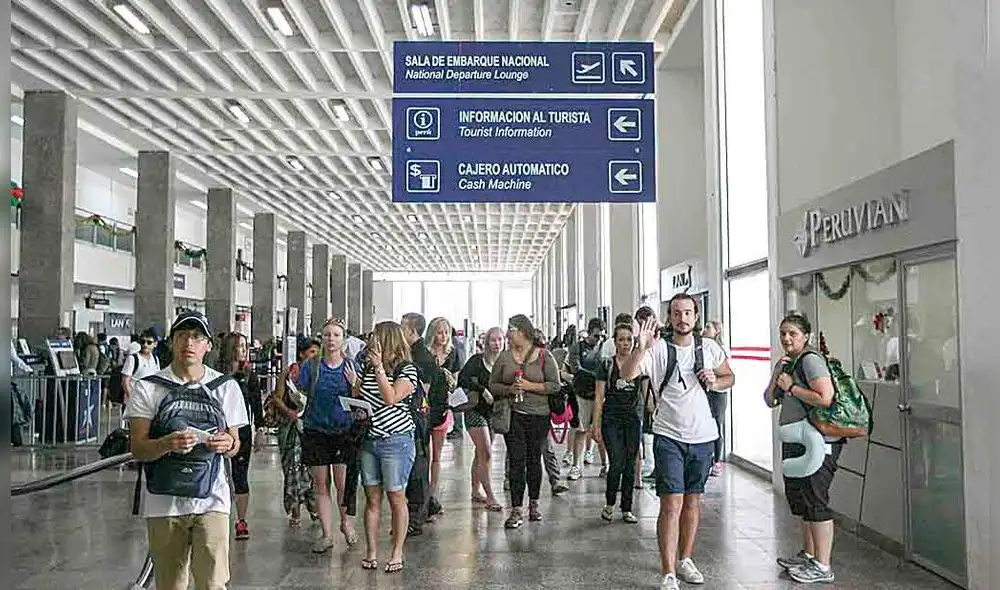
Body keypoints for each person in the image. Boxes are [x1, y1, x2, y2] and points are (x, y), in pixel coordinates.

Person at [125, 311, 248, 590]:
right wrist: (168, 443)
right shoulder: (148, 388)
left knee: (213, 583)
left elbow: (235, 444)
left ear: (208, 346)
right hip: (163, 504)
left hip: (213, 500)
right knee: (170, 584)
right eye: (182, 336)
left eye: (196, 337)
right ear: (171, 342)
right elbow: (138, 448)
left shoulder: (225, 388)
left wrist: (227, 444)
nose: (188, 343)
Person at [622, 294, 735, 590]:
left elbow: (729, 377)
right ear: (669, 317)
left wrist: (716, 380)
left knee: (693, 502)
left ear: (696, 316)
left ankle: (686, 558)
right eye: (676, 313)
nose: (682, 318)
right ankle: (668, 571)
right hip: (668, 435)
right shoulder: (658, 349)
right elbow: (627, 374)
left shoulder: (709, 348)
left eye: (687, 312)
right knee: (671, 503)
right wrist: (640, 346)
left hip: (703, 436)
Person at [765, 313, 839, 584]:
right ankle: (809, 555)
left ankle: (823, 564)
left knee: (816, 499)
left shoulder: (810, 361)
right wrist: (777, 376)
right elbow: (769, 400)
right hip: (797, 440)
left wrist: (793, 387)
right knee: (803, 499)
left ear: (805, 336)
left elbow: (825, 397)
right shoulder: (789, 363)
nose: (786, 338)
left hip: (819, 442)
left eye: (792, 333)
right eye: (783, 333)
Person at [355, 321, 420, 574]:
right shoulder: (368, 366)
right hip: (370, 439)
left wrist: (380, 368)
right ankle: (371, 552)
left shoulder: (407, 369)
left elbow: (391, 398)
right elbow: (359, 393)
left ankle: (396, 552)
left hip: (396, 441)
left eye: (376, 337)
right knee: (372, 498)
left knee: (396, 497)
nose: (371, 342)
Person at [296, 319, 362, 553]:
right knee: (321, 484)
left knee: (343, 484)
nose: (331, 339)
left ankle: (346, 522)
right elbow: (300, 395)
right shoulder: (311, 366)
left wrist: (355, 385)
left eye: (335, 335)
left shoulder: (351, 366)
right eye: (327, 335)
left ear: (343, 339)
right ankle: (326, 534)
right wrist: (295, 398)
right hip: (316, 431)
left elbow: (358, 402)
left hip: (343, 431)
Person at [490, 314, 560, 529]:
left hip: (539, 416)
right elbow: (493, 385)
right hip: (514, 415)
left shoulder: (544, 356)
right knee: (516, 460)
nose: (508, 333)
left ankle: (534, 505)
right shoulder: (504, 357)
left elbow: (555, 385)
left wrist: (530, 386)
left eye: (511, 329)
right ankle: (516, 509)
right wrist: (509, 389)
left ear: (522, 331)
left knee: (533, 459)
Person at [592, 322, 645, 524]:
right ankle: (610, 503)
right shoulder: (606, 366)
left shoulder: (640, 364)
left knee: (630, 464)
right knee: (617, 462)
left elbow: (647, 392)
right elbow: (599, 396)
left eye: (629, 339)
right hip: (611, 419)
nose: (625, 343)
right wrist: (595, 425)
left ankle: (627, 507)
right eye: (621, 339)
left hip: (632, 419)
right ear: (614, 342)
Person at [216, 332, 265, 541]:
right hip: (218, 430)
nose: (244, 350)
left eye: (245, 346)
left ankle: (241, 519)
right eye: (239, 346)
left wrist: (260, 429)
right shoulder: (216, 374)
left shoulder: (249, 375)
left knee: (240, 475)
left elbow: (256, 404)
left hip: (242, 431)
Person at [270, 336, 320, 527]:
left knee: (309, 470)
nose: (315, 356)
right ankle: (295, 509)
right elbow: (277, 397)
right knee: (292, 468)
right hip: (290, 428)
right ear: (302, 354)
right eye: (312, 352)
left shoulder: (318, 372)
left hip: (310, 426)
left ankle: (313, 506)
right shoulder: (290, 372)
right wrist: (291, 413)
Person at [457, 326, 504, 511]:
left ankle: (476, 490)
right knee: (486, 453)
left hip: (493, 413)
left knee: (480, 453)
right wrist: (481, 389)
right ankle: (491, 496)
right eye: (493, 340)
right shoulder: (477, 361)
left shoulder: (504, 362)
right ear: (486, 342)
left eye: (500, 339)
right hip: (475, 410)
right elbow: (463, 379)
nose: (497, 343)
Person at [424, 316, 460, 519]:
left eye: (446, 332)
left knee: (437, 455)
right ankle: (423, 494)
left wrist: (449, 378)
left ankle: (432, 493)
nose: (443, 336)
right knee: (425, 454)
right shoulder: (424, 354)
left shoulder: (453, 354)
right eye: (439, 332)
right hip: (424, 408)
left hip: (442, 408)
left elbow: (456, 382)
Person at [701, 320, 730, 476]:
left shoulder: (720, 350)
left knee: (717, 424)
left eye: (708, 328)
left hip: (718, 393)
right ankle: (709, 458)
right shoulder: (702, 347)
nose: (705, 330)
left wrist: (714, 378)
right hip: (707, 391)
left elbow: (726, 374)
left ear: (717, 331)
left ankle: (717, 461)